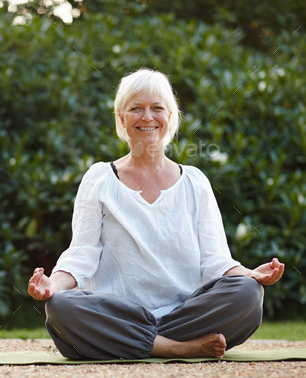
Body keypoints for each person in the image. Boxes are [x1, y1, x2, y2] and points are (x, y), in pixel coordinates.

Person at [27, 68, 285, 360]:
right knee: (61, 307)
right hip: (118, 315)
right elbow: (82, 254)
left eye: (157, 108)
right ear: (122, 118)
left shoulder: (195, 181)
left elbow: (215, 260)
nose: (147, 117)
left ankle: (132, 342)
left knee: (248, 294)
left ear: (170, 117)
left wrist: (250, 275)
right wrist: (53, 285)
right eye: (136, 108)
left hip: (183, 314)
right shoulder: (99, 178)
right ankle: (173, 347)